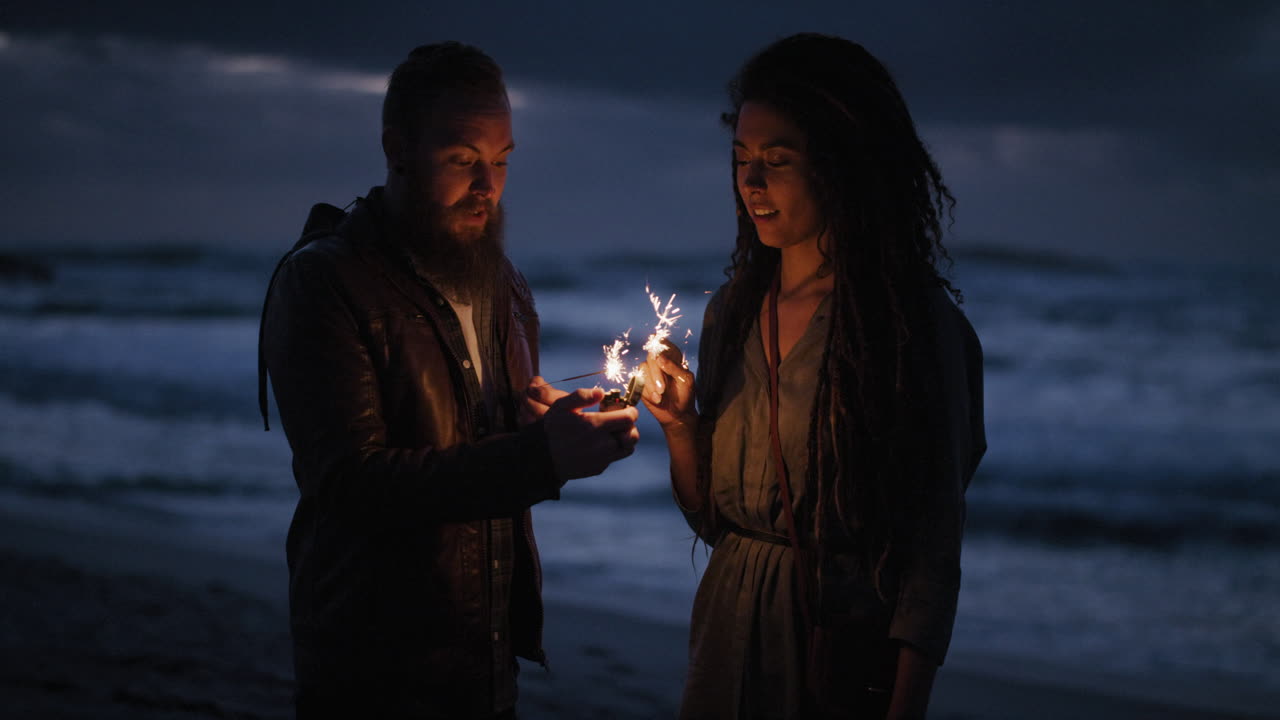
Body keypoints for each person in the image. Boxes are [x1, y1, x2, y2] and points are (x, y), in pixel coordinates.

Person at [258, 42, 639, 719]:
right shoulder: (324, 281)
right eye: (463, 160)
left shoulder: (504, 284)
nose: (487, 186)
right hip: (372, 670)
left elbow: (482, 452)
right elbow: (350, 483)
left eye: (501, 161)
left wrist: (542, 426)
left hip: (484, 661)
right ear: (398, 148)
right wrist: (537, 455)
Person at [642, 34, 986, 719]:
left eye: (777, 161)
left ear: (841, 166)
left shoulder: (906, 327)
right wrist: (681, 427)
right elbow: (717, 522)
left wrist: (907, 704)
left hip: (834, 649)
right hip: (724, 634)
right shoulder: (734, 313)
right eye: (741, 160)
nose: (751, 184)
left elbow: (931, 545)